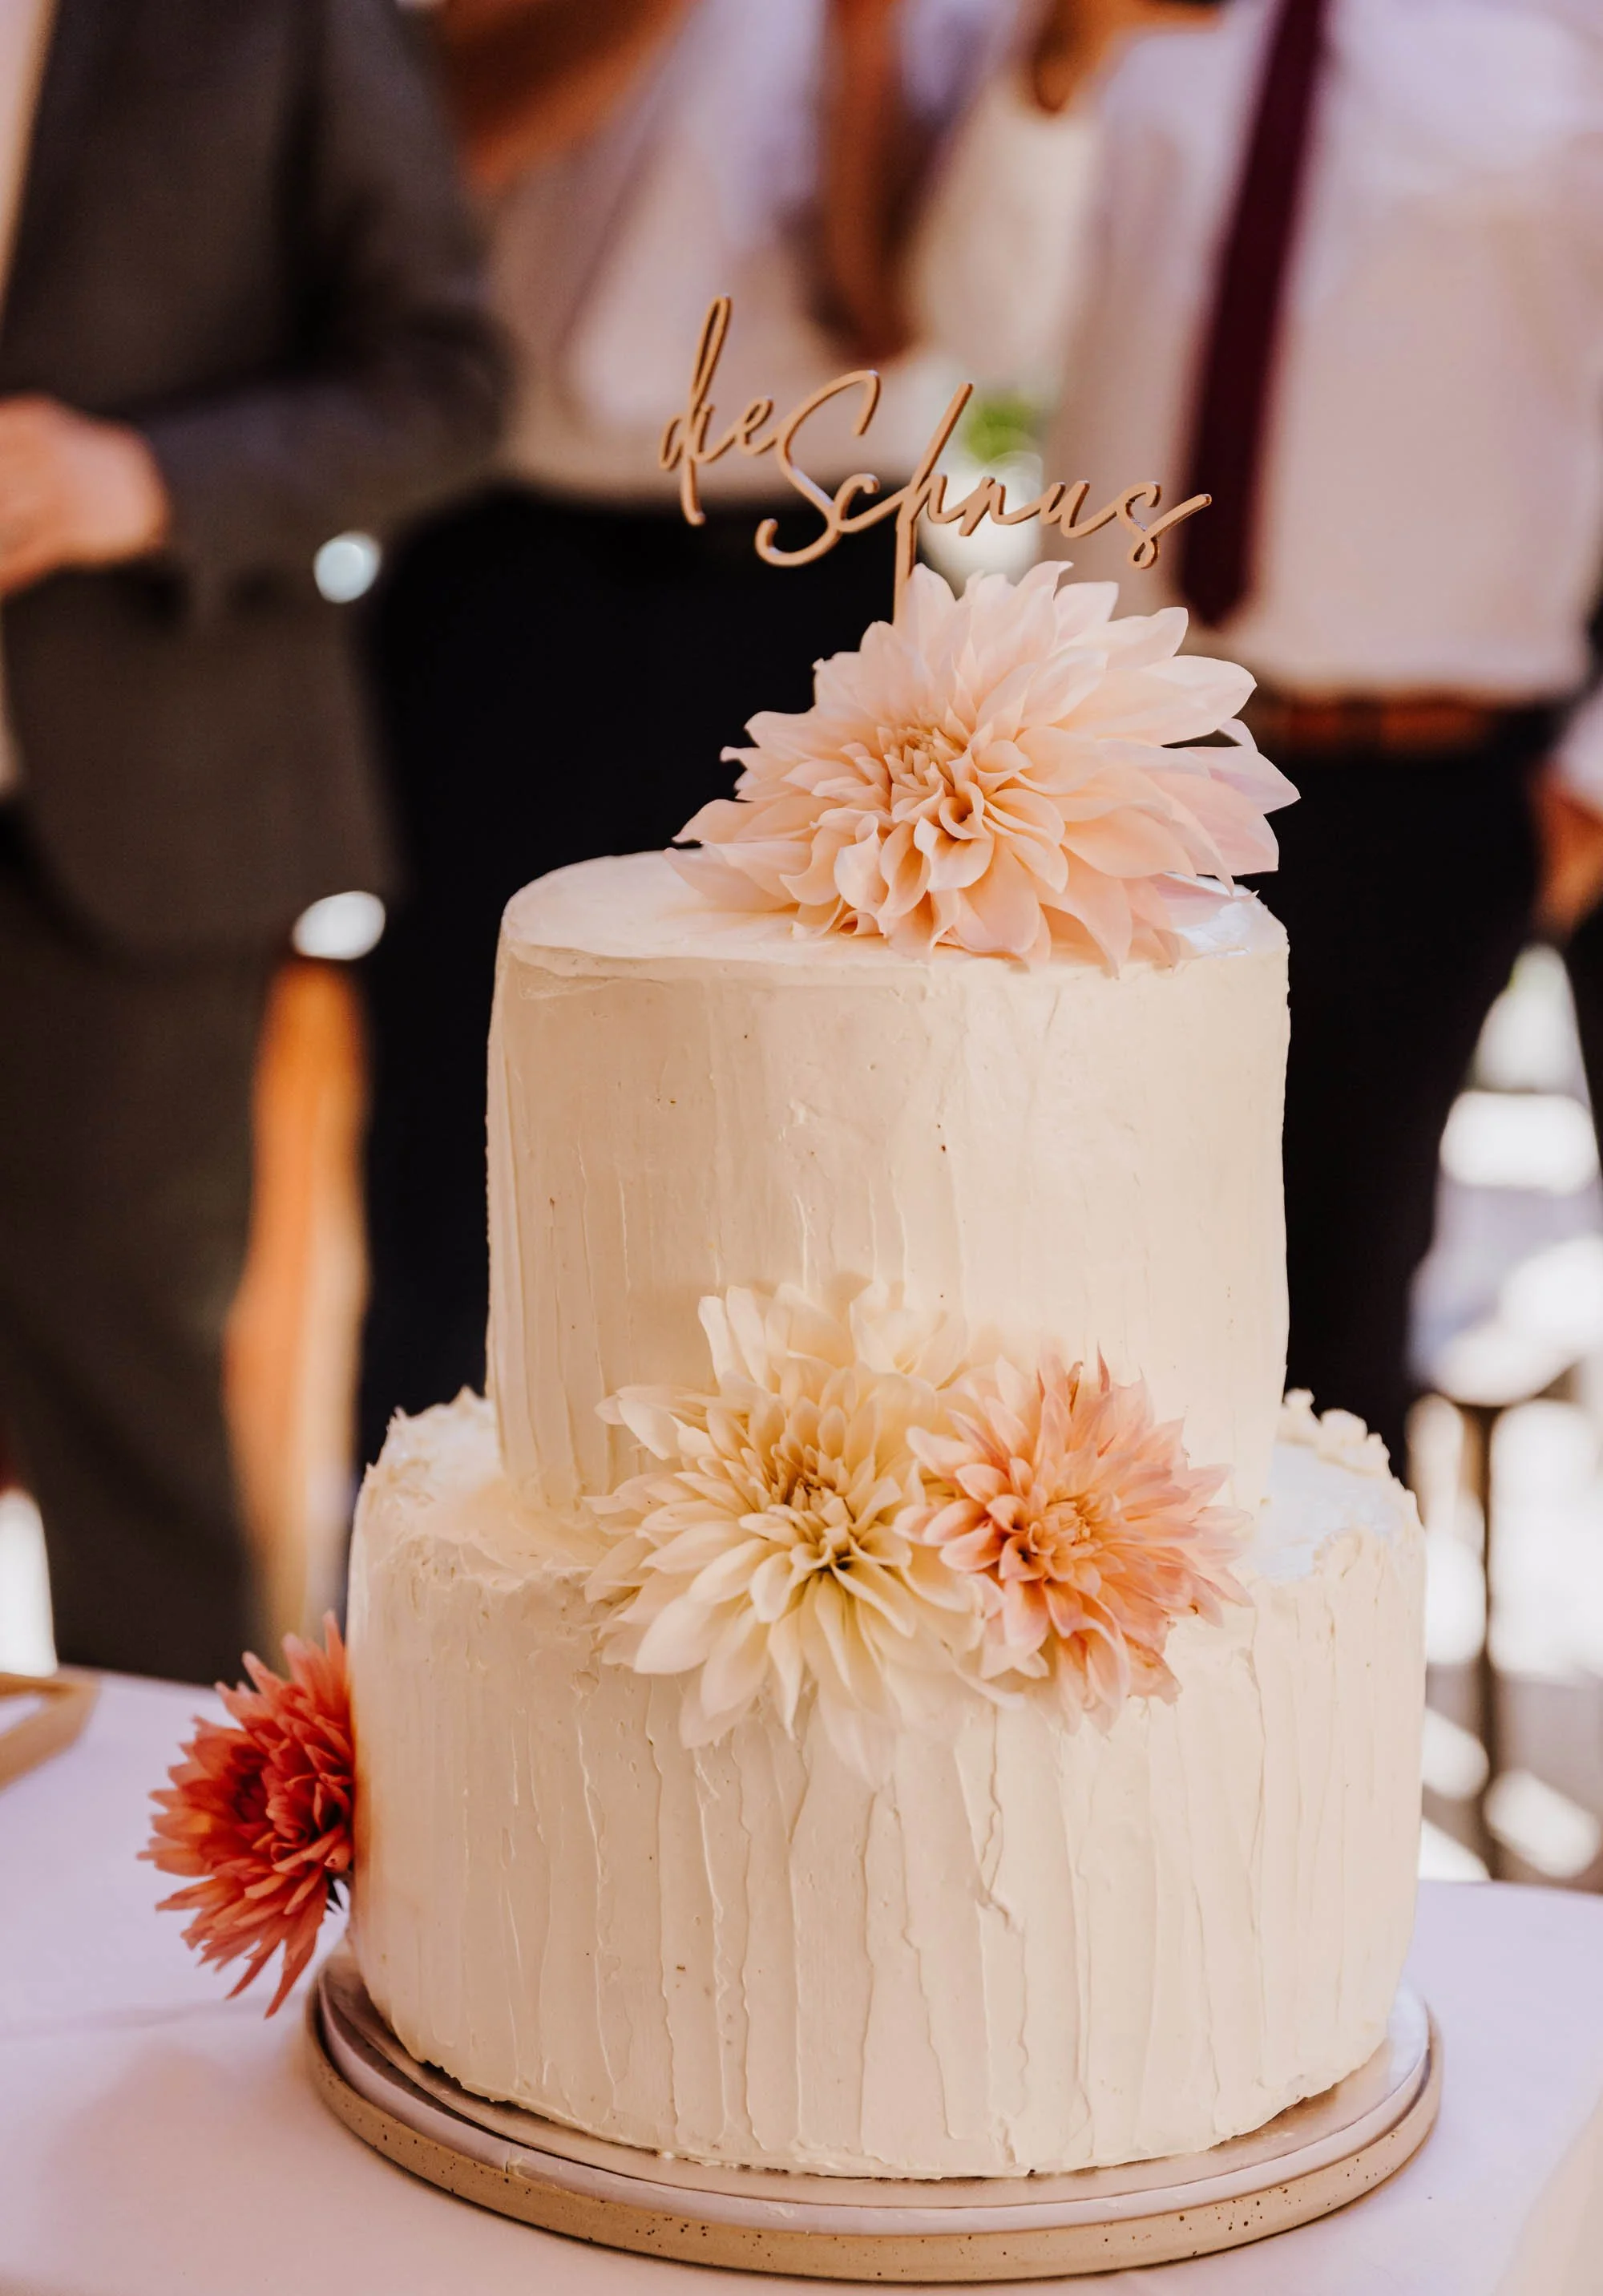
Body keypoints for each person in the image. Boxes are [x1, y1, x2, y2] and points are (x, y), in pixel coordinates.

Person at [357, 0, 1008, 1466]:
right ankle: (411, 1623)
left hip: (826, 575)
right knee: (458, 1151)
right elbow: (415, 154)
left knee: (826, 1155)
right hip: (516, 569)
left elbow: (908, 306)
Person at [1003, 0, 1603, 1473]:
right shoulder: (1115, 27)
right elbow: (971, 327)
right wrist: (1058, 67)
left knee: (1327, 1371)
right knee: (1092, 1345)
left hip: (1454, 781)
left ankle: (1337, 1704)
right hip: (1141, 770)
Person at [0, 0, 507, 1684]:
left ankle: (161, 1917)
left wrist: (131, 482)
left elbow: (447, 379)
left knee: (127, 1400)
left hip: (144, 804)